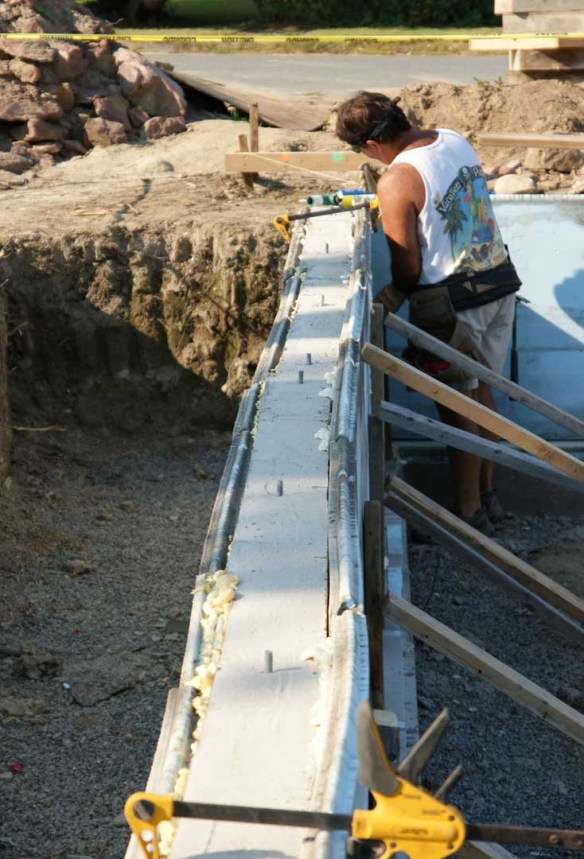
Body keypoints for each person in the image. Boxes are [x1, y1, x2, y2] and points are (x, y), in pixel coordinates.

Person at [336, 91, 522, 533]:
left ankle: (469, 516)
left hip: (454, 308)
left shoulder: (398, 179)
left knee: (457, 411)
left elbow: (408, 266)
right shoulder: (452, 139)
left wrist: (392, 296)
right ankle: (489, 499)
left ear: (371, 145)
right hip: (498, 285)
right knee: (483, 398)